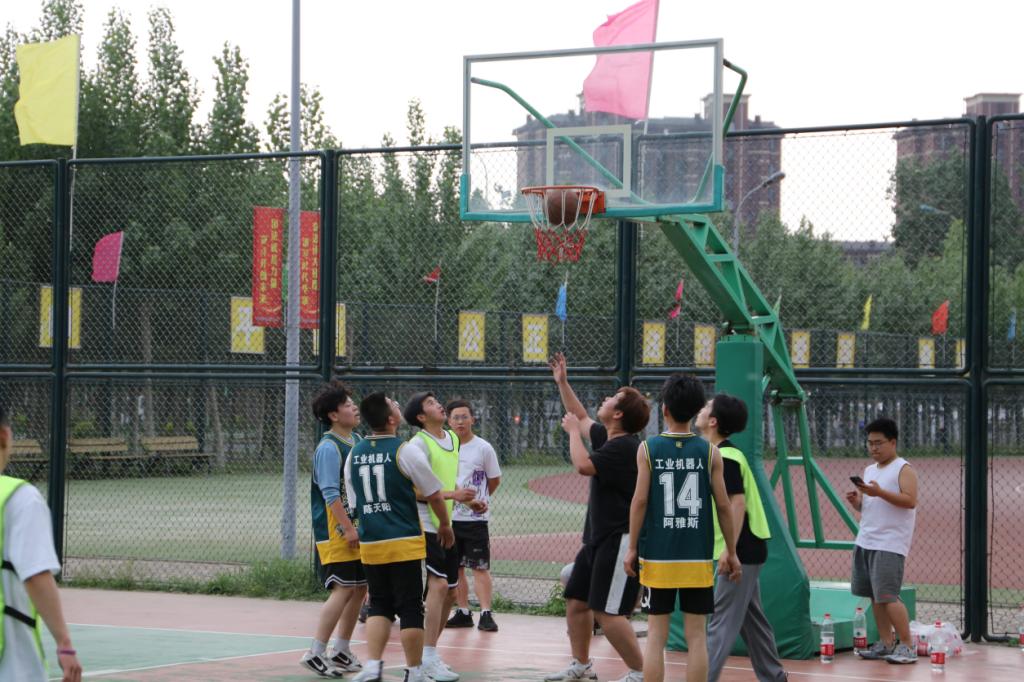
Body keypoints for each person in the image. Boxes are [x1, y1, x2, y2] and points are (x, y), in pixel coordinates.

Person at [624, 374, 741, 682]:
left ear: (664, 409)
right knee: (697, 636)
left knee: (656, 635)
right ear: (696, 411)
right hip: (696, 557)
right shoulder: (711, 452)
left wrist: (632, 547)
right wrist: (731, 550)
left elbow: (639, 501)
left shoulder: (648, 449)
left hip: (658, 557)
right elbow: (724, 505)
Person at [545, 352, 649, 682]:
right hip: (598, 539)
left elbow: (583, 465)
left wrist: (573, 434)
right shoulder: (611, 438)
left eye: (613, 398)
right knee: (577, 601)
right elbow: (580, 415)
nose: (606, 399)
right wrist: (563, 382)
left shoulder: (625, 448)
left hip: (619, 540)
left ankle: (640, 673)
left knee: (607, 611)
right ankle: (581, 665)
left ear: (618, 414)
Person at [344, 392, 454, 682]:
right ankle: (414, 671)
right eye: (393, 404)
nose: (397, 405)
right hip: (404, 541)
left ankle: (373, 666)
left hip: (371, 542)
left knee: (379, 604)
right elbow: (434, 494)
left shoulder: (354, 454)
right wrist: (445, 525)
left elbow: (354, 503)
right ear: (392, 419)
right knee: (410, 608)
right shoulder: (404, 451)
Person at [697, 395, 787, 682]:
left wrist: (730, 550)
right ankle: (774, 676)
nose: (701, 409)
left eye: (706, 407)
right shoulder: (719, 453)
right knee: (752, 622)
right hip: (746, 547)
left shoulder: (726, 457)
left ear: (713, 421)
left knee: (720, 621)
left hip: (740, 549)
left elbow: (737, 503)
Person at [402, 392, 483, 682]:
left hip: (446, 522)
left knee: (450, 591)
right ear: (421, 417)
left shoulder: (451, 439)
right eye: (430, 403)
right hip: (425, 524)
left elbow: (447, 482)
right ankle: (426, 657)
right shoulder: (417, 445)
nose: (438, 404)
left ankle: (430, 654)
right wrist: (453, 495)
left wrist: (467, 501)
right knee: (437, 586)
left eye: (436, 401)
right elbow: (416, 490)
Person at [0, 402, 82, 682]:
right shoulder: (19, 499)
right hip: (12, 664)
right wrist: (64, 643)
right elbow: (36, 575)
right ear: (5, 436)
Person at [300, 382, 368, 677]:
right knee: (344, 588)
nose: (355, 407)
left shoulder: (357, 441)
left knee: (360, 588)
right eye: (348, 405)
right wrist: (347, 527)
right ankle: (315, 652)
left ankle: (341, 649)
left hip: (357, 527)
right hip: (336, 530)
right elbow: (330, 493)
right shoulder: (328, 448)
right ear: (333, 415)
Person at [845, 417, 919, 665]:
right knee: (874, 596)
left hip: (889, 544)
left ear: (893, 442)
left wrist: (879, 492)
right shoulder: (870, 470)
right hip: (866, 540)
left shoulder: (903, 469)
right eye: (870, 443)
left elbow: (910, 501)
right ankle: (886, 643)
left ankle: (907, 646)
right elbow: (871, 507)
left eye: (879, 443)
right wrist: (858, 502)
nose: (874, 448)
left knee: (888, 596)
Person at [443, 399, 502, 633]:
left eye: (464, 417)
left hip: (475, 521)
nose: (460, 422)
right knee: (456, 568)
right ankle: (463, 611)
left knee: (479, 566)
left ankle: (486, 613)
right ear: (448, 421)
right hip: (449, 519)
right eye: (455, 417)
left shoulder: (483, 448)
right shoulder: (445, 447)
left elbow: (494, 479)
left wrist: (481, 501)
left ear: (473, 420)